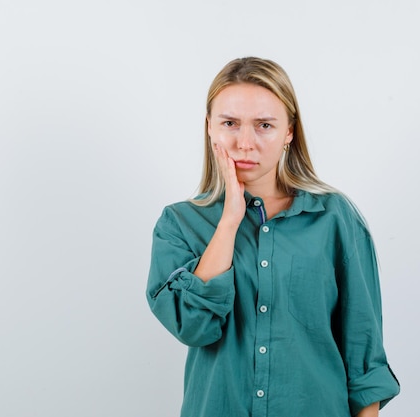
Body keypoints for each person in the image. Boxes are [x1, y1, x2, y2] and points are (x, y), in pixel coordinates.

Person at [146, 57, 400, 417]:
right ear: (209, 127)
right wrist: (230, 219)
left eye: (264, 125)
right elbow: (193, 326)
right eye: (230, 123)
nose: (245, 143)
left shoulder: (335, 219)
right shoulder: (179, 224)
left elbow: (364, 358)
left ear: (289, 132)